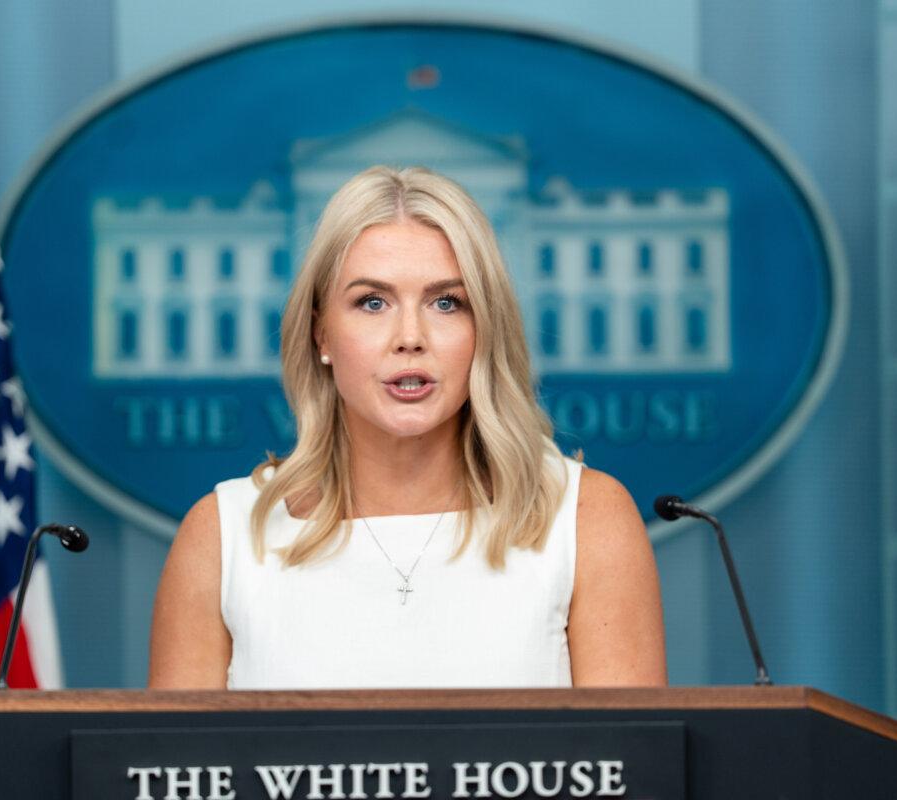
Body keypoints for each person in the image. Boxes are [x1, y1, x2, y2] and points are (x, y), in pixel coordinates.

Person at [148, 165, 666, 689]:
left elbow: (632, 767)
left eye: (446, 302)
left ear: (485, 328)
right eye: (372, 302)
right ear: (321, 333)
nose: (410, 337)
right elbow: (175, 771)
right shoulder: (223, 534)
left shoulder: (585, 519)